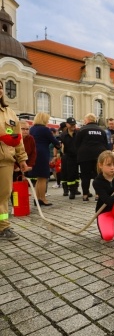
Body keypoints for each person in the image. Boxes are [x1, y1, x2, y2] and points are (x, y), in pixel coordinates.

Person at [0, 81, 29, 241]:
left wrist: (22, 158)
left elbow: (18, 139)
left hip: (5, 160)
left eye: (0, 87)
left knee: (3, 195)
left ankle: (3, 227)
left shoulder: (10, 113)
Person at [29, 112, 62, 206]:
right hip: (42, 154)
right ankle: (43, 199)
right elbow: (55, 142)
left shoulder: (32, 129)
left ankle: (37, 199)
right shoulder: (45, 129)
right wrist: (59, 145)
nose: (48, 121)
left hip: (34, 154)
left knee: (38, 178)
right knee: (43, 177)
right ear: (44, 119)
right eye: (47, 119)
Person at [75, 113, 108, 202]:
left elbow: (77, 144)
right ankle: (98, 195)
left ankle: (85, 195)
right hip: (99, 156)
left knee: (85, 176)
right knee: (98, 175)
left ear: (88, 120)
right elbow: (106, 144)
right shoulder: (102, 131)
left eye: (85, 120)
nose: (84, 121)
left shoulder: (82, 130)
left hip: (85, 156)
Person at [60, 117, 79, 199]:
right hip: (67, 156)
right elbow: (60, 146)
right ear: (67, 124)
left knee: (76, 174)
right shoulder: (63, 135)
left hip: (77, 156)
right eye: (71, 125)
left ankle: (75, 189)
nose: (73, 126)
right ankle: (69, 191)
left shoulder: (78, 133)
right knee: (67, 173)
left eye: (74, 124)